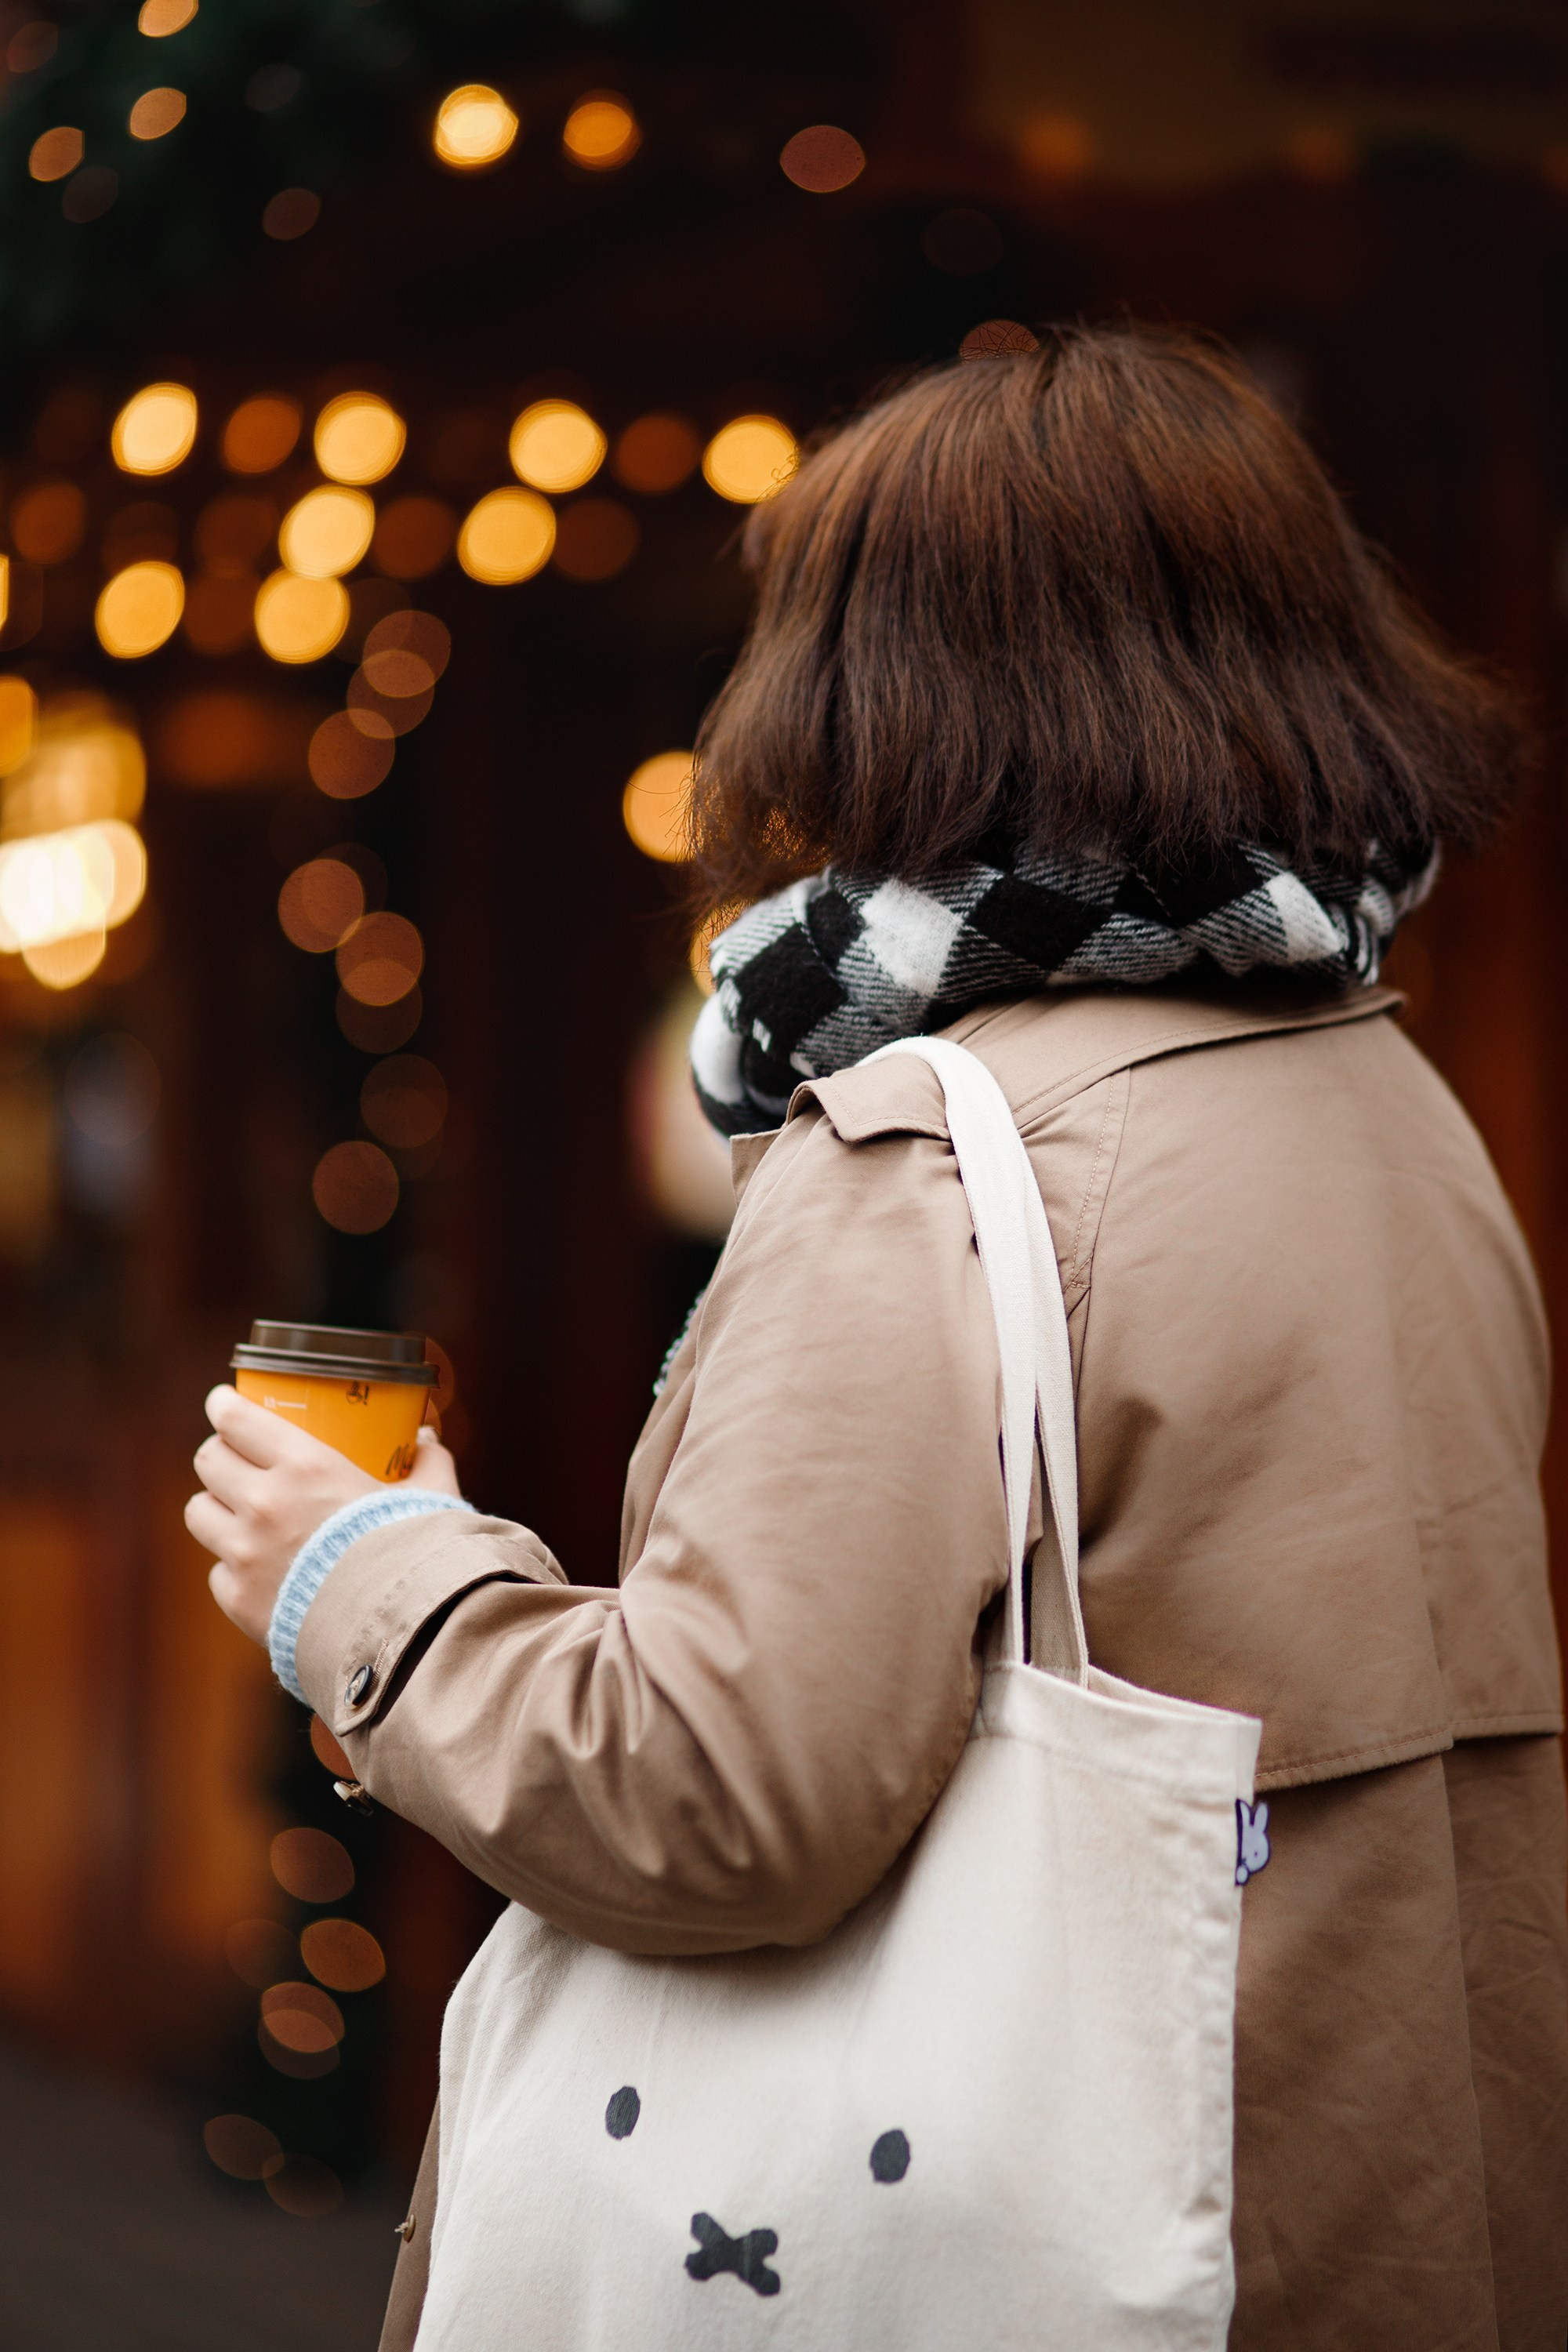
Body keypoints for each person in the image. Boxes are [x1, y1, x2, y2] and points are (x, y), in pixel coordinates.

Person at [188, 325, 1567, 2351]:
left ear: (863, 694)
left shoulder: (927, 1146)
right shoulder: (1390, 1099)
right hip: (1375, 2212)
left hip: (1059, 2249)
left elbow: (718, 1794)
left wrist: (359, 1585)